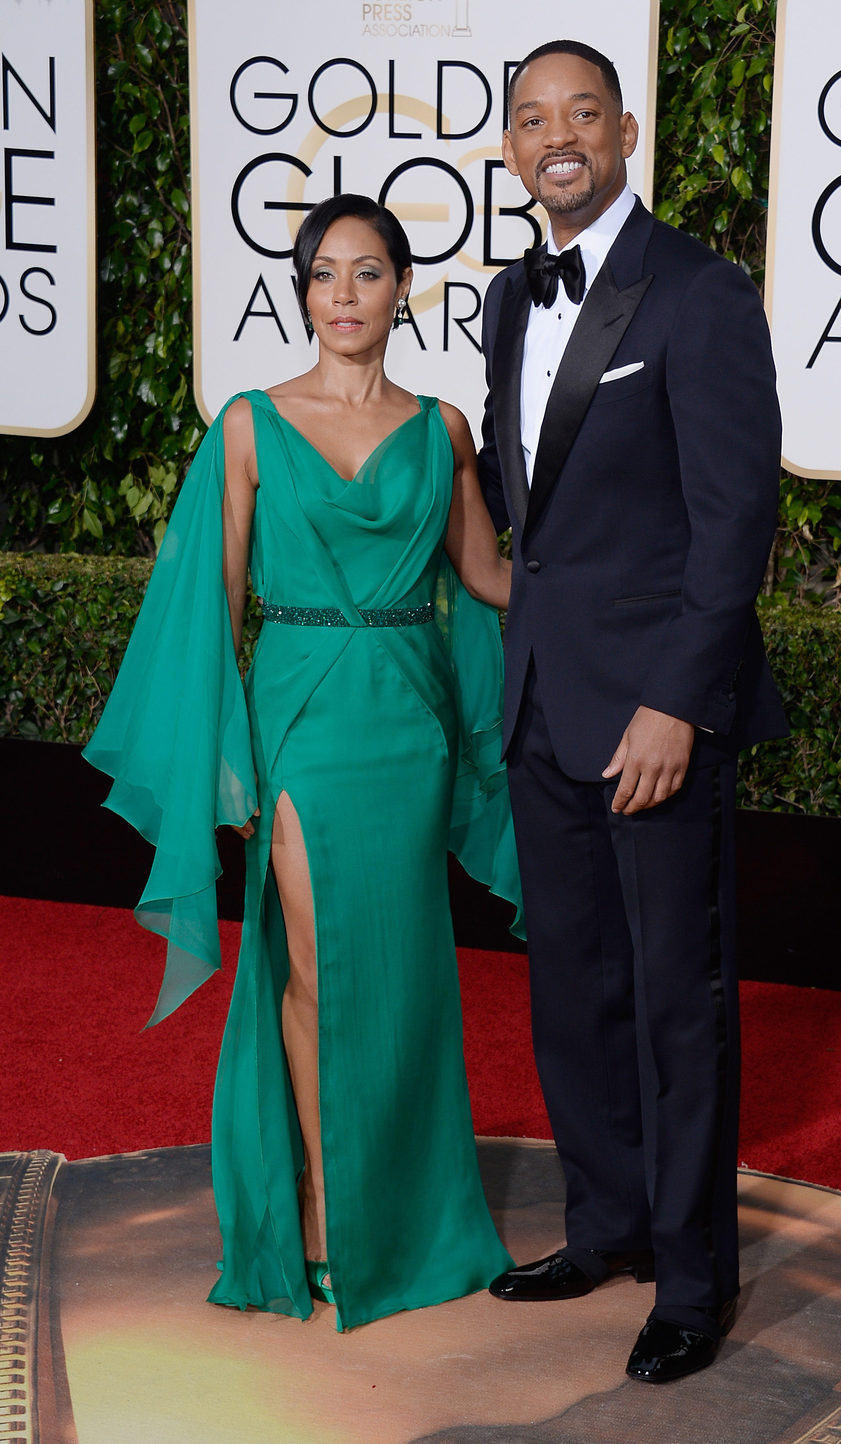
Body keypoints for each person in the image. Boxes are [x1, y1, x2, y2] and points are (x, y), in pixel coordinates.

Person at [84, 193, 523, 1330]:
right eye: (325, 274)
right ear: (301, 291)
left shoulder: (444, 429)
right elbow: (211, 605)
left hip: (409, 722)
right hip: (301, 719)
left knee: (408, 969)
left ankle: (412, 1214)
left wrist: (637, 593)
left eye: (368, 273)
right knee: (318, 964)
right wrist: (223, 761)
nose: (344, 295)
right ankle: (328, 1211)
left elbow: (486, 577)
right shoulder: (247, 423)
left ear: (401, 289)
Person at [477, 41, 787, 1382]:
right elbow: (527, 527)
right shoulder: (503, 296)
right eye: (534, 119)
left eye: (582, 114)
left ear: (626, 130)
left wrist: (676, 703)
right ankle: (604, 1224)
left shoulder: (702, 295)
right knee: (574, 989)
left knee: (676, 999)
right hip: (542, 703)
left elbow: (736, 523)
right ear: (509, 148)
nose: (559, 138)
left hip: (654, 719)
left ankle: (696, 1278)